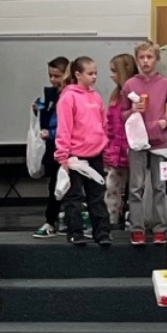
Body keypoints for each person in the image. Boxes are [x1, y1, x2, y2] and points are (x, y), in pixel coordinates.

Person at [122, 42, 167, 244]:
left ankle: (160, 228)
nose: (146, 61)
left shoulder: (166, 84)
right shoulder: (130, 84)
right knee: (135, 187)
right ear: (137, 59)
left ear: (156, 59)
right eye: (142, 57)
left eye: (149, 57)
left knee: (159, 187)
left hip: (159, 141)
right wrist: (132, 111)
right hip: (137, 141)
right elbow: (121, 114)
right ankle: (137, 228)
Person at [55, 56, 111, 247]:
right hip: (75, 156)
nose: (94, 76)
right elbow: (64, 128)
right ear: (78, 75)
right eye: (90, 73)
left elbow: (103, 124)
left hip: (95, 153)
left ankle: (102, 232)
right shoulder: (68, 97)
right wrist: (63, 155)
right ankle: (75, 232)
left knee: (97, 196)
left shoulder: (96, 97)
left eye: (96, 73)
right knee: (75, 197)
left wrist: (104, 145)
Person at [101, 53, 141, 237]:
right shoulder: (115, 96)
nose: (111, 75)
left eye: (114, 71)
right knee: (112, 189)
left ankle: (134, 222)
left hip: (133, 151)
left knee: (135, 190)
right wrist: (108, 148)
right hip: (116, 153)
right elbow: (109, 125)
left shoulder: (136, 95)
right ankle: (112, 222)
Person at [34, 56, 70, 239]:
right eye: (51, 75)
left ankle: (70, 220)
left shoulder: (71, 94)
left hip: (69, 148)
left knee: (72, 187)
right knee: (54, 185)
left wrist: (53, 133)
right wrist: (38, 108)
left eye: (57, 75)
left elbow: (66, 123)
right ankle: (51, 220)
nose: (53, 79)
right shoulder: (50, 94)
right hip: (53, 148)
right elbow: (47, 116)